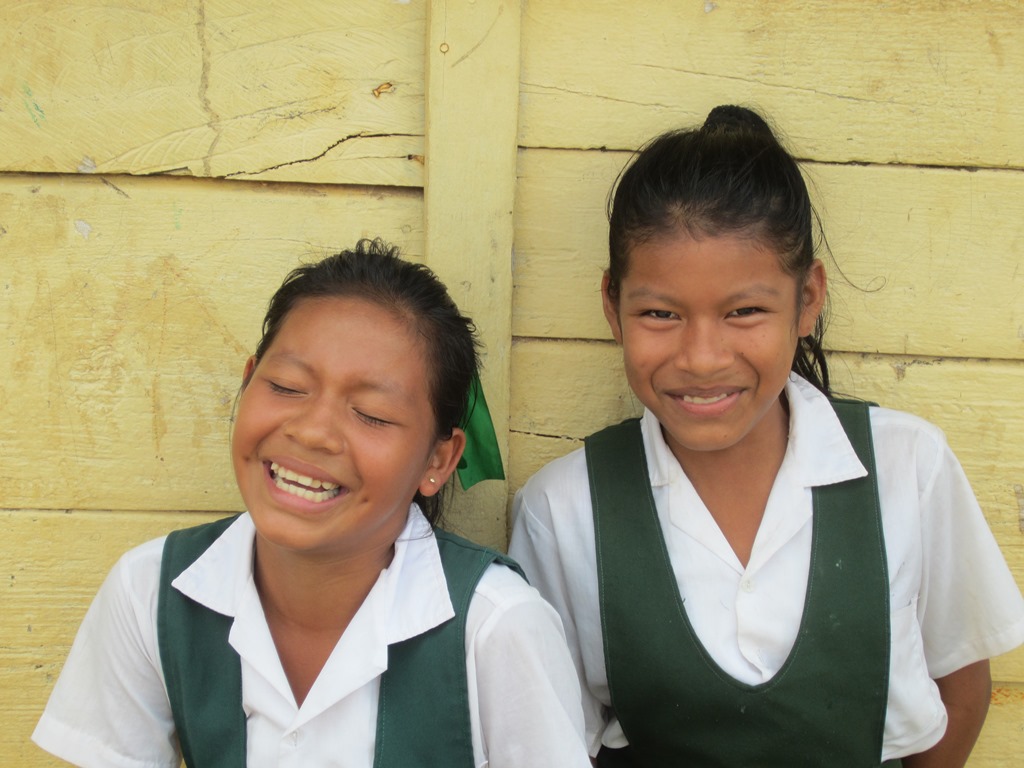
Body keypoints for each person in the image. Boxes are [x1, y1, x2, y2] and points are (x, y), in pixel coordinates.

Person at [508, 105, 1024, 767]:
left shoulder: (907, 468)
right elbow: (550, 740)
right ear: (613, 306)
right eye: (661, 313)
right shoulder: (565, 510)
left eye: (745, 311)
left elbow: (961, 686)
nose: (701, 356)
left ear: (807, 300)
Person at [34, 239, 591, 768]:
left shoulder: (495, 626)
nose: (314, 432)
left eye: (372, 414)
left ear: (438, 461)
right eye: (286, 387)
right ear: (248, 381)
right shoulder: (150, 592)